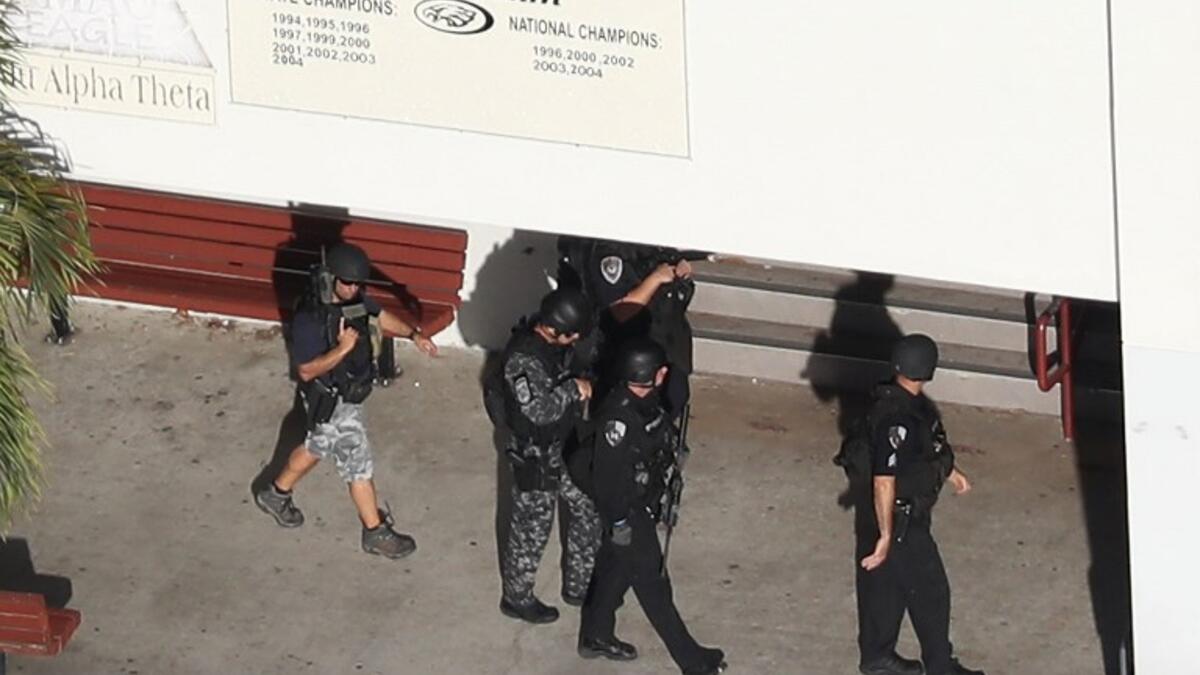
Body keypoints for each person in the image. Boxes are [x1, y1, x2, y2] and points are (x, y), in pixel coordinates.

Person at [254, 243, 438, 559]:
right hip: (331, 399)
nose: (353, 288)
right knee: (359, 466)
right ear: (330, 278)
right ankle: (374, 532)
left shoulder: (354, 300)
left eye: (357, 283)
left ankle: (276, 494)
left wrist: (412, 335)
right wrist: (342, 349)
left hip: (348, 394)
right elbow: (307, 370)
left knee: (316, 447)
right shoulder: (310, 318)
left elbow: (377, 316)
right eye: (347, 282)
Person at [579, 338, 725, 675]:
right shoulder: (619, 418)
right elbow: (608, 479)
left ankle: (596, 634)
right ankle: (693, 662)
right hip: (626, 511)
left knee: (616, 570)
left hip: (641, 501)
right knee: (653, 584)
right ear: (655, 374)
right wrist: (619, 524)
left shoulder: (648, 403)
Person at [856, 334, 984, 675]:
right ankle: (940, 666)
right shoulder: (899, 418)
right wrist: (886, 536)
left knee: (888, 587)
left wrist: (950, 472)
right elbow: (885, 478)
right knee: (931, 591)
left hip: (899, 514)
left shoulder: (900, 405)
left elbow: (924, 452)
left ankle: (877, 656)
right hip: (902, 519)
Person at [491, 288, 602, 624]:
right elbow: (538, 410)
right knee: (531, 530)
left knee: (586, 504)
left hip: (559, 445)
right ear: (559, 331)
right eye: (573, 336)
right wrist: (574, 389)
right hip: (534, 454)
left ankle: (579, 585)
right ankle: (517, 598)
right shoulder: (523, 359)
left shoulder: (550, 348)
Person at [559, 236, 703, 420]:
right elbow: (621, 310)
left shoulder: (647, 245)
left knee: (672, 400)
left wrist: (677, 271)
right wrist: (656, 278)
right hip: (630, 356)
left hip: (665, 346)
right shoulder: (610, 251)